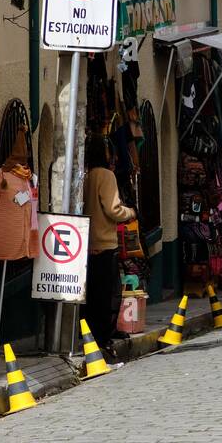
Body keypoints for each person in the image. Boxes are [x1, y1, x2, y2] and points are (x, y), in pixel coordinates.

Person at [84, 138, 135, 349]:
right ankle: (104, 336)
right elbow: (113, 209)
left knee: (93, 293)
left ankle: (92, 333)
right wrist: (131, 212)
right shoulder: (106, 175)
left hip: (87, 243)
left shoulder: (86, 176)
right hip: (105, 242)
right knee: (108, 292)